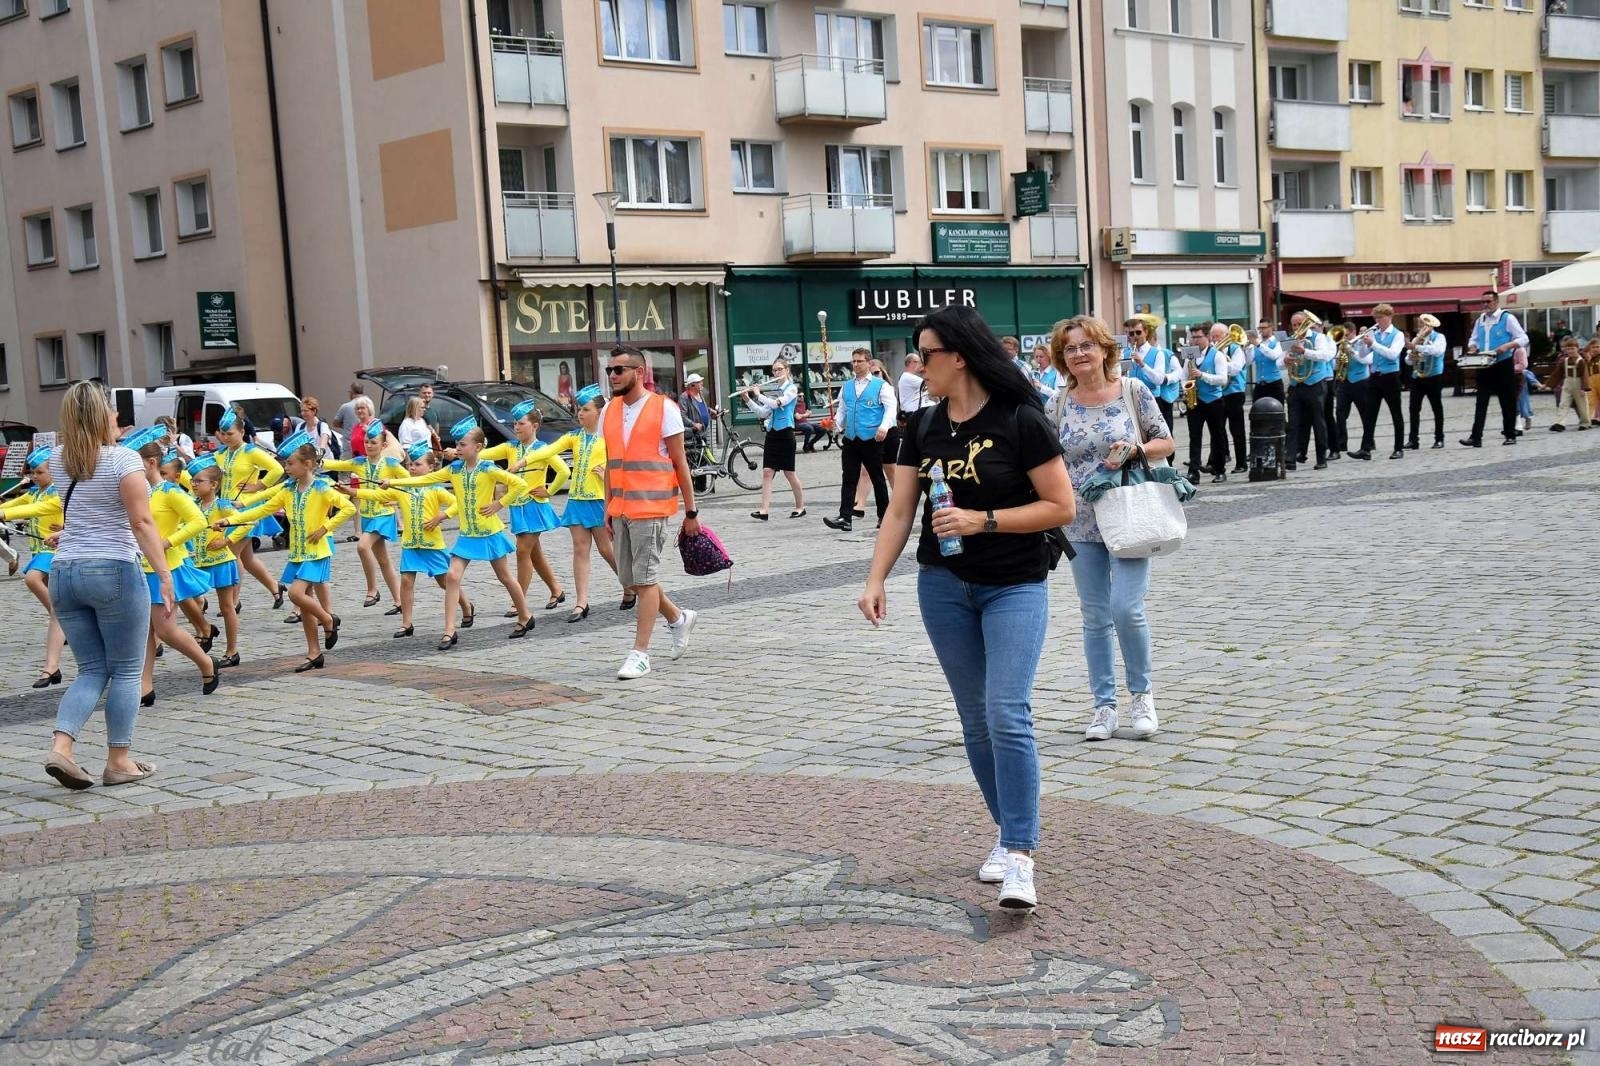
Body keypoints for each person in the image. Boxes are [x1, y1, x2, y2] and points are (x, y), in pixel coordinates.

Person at [857, 305, 1075, 912]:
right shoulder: (919, 427)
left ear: (958, 356)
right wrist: (876, 578)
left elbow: (1062, 507)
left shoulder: (1020, 419)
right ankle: (1007, 836)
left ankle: (1022, 857)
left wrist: (984, 520)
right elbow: (900, 510)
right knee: (975, 720)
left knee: (1008, 712)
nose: (918, 366)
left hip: (1014, 584)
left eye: (926, 355)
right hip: (943, 586)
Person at [42, 384, 175, 790]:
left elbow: (84, 509)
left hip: (64, 571)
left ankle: (61, 748)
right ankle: (119, 760)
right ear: (103, 417)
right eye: (113, 413)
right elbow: (141, 523)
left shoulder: (58, 459)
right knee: (127, 670)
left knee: (91, 669)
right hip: (113, 569)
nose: (118, 418)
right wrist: (164, 575)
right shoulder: (123, 459)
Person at [1049, 314, 1173, 744]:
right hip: (1080, 521)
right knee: (1095, 615)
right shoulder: (1058, 402)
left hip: (1129, 515)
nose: (1079, 354)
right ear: (1062, 359)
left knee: (1126, 608)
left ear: (1104, 349)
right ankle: (1104, 706)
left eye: (1086, 345)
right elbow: (1047, 458)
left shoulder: (1133, 391)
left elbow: (1165, 441)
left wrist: (1136, 449)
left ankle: (1142, 695)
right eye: (1070, 349)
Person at [384, 417, 534, 649]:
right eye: (457, 443)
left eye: (463, 444)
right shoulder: (453, 470)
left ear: (478, 447)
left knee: (505, 576)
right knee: (452, 576)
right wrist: (395, 483)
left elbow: (520, 485)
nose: (458, 448)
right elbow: (425, 478)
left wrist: (499, 504)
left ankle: (525, 615)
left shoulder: (488, 468)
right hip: (467, 535)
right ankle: (449, 630)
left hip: (489, 532)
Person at [601, 345, 700, 681]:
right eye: (610, 370)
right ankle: (677, 618)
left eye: (619, 370)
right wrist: (607, 507)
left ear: (639, 372)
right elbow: (612, 465)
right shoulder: (609, 411)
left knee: (643, 579)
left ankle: (640, 653)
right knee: (629, 578)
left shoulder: (664, 409)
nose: (612, 376)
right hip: (621, 507)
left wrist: (691, 511)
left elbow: (680, 463)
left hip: (652, 507)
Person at [221, 433, 356, 671]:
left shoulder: (322, 488)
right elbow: (262, 509)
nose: (286, 467)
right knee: (305, 605)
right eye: (285, 463)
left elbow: (347, 507)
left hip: (317, 551)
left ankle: (327, 619)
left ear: (307, 464)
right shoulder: (288, 490)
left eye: (290, 463)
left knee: (295, 594)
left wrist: (325, 528)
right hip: (298, 552)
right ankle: (314, 652)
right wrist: (230, 521)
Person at [351, 441, 473, 638]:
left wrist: (441, 517)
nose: (412, 468)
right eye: (410, 465)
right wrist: (352, 492)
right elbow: (375, 494)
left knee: (445, 583)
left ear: (431, 467)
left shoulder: (436, 489)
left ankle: (466, 606)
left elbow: (459, 503)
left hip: (432, 545)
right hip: (410, 544)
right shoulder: (402, 489)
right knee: (407, 580)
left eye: (417, 464)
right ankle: (406, 623)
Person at [525, 384, 617, 623]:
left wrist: (607, 470)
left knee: (607, 550)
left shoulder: (611, 437)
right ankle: (581, 601)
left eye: (585, 409)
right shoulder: (574, 436)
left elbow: (623, 463)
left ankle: (630, 585)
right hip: (577, 499)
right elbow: (547, 451)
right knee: (579, 549)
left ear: (599, 412)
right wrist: (523, 461)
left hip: (599, 500)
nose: (580, 413)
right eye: (579, 409)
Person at [484, 400, 569, 612]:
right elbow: (482, 454)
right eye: (515, 424)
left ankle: (518, 600)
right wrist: (458, 453)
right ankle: (557, 590)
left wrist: (549, 490)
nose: (516, 427)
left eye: (521, 423)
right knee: (534, 553)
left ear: (535, 426)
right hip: (517, 506)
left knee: (522, 551)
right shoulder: (510, 447)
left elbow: (564, 472)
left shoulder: (542, 449)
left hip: (534, 507)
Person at [322, 419, 405, 613]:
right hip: (368, 517)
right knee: (384, 561)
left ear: (383, 445)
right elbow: (339, 464)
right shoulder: (359, 463)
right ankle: (399, 601)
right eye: (367, 441)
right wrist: (316, 459)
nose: (368, 445)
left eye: (373, 442)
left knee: (362, 546)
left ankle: (372, 589)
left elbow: (412, 481)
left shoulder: (391, 464)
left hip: (383, 515)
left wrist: (397, 498)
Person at [2, 447, 67, 688]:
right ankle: (52, 667)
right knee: (59, 612)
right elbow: (21, 502)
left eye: (40, 472)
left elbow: (35, 510)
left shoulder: (58, 494)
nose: (35, 476)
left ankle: (51, 665)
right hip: (43, 551)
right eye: (33, 472)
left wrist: (3, 513)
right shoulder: (35, 493)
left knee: (32, 579)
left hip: (57, 551)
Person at [214, 408, 291, 607]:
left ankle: (233, 601)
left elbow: (277, 468)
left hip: (247, 509)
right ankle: (276, 588)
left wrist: (259, 486)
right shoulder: (221, 454)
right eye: (223, 434)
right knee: (247, 559)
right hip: (226, 508)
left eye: (230, 433)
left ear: (242, 432)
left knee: (231, 553)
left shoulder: (251, 451)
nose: (226, 437)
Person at [186, 456, 252, 667]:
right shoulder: (190, 504)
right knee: (189, 599)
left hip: (221, 561)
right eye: (193, 481)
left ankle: (232, 650)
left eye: (199, 481)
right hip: (197, 561)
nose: (194, 484)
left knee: (226, 607)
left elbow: (248, 522)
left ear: (213, 485)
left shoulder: (222, 505)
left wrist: (226, 540)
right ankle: (205, 629)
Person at [823, 348, 897, 532]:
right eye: (854, 361)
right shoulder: (847, 386)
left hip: (871, 438)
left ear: (869, 363)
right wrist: (836, 425)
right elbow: (843, 410)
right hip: (851, 438)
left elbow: (890, 408)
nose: (856, 364)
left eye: (859, 361)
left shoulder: (881, 385)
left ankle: (883, 515)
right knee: (848, 477)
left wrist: (884, 427)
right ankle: (845, 517)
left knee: (877, 478)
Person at [1461, 290, 1527, 447]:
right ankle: (1476, 437)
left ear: (1496, 302)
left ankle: (1510, 435)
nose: (1485, 305)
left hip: (1502, 363)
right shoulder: (1480, 320)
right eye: (1482, 302)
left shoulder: (1507, 318)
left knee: (1507, 401)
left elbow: (1524, 338)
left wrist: (1508, 345)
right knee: (1481, 401)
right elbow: (1474, 339)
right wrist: (1472, 347)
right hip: (1484, 364)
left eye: (1488, 302)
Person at [743, 358, 806, 520]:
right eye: (774, 370)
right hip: (772, 433)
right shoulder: (773, 389)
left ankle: (800, 506)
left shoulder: (792, 389)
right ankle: (764, 511)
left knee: (789, 473)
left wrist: (759, 395)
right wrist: (748, 400)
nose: (776, 373)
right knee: (767, 472)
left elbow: (778, 403)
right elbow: (763, 413)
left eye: (779, 369)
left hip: (786, 433)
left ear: (787, 370)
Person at [1284, 311, 1335, 470]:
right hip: (1296, 384)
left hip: (1314, 383)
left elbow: (1324, 356)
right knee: (1293, 423)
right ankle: (1290, 458)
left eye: (1300, 324)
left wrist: (1304, 351)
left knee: (1318, 421)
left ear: (1307, 323)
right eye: (1294, 325)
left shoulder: (1318, 337)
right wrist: (1285, 359)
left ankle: (1321, 458)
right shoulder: (1290, 339)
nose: (1297, 327)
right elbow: (1280, 360)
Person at [1361, 304, 1408, 459]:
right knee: (1369, 414)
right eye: (1376, 318)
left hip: (1391, 377)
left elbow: (1392, 354)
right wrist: (1363, 342)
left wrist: (1373, 344)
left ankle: (1398, 448)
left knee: (1396, 413)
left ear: (1389, 317)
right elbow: (1363, 355)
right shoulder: (1374, 333)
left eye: (1380, 317)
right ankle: (1365, 449)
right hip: (1375, 376)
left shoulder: (1397, 334)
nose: (1377, 321)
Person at [1184, 326, 1230, 483]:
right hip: (1195, 401)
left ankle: (1220, 470)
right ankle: (1193, 472)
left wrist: (1202, 375)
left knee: (1217, 436)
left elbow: (1223, 379)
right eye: (1193, 337)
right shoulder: (1189, 356)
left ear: (1208, 338)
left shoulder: (1217, 355)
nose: (1195, 340)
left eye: (1198, 337)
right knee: (1194, 437)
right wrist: (1185, 386)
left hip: (1214, 401)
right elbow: (1184, 376)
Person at [1125, 317, 1180, 432]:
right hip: (1131, 399)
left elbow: (1159, 380)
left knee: (1158, 434)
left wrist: (1142, 364)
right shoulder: (1124, 352)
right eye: (1131, 333)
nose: (1135, 336)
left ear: (1145, 332)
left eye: (1138, 332)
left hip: (1153, 399)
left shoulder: (1157, 353)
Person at [1332, 324, 1375, 461]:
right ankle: (1341, 443)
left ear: (1353, 333)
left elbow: (1367, 360)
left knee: (1365, 413)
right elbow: (1334, 365)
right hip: (1345, 382)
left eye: (1346, 335)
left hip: (1361, 381)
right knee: (1340, 413)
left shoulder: (1363, 344)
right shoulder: (1342, 346)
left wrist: (1352, 352)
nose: (1344, 338)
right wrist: (1338, 360)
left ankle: (1369, 442)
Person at [1405, 314, 1448, 448]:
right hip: (1417, 376)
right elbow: (1407, 360)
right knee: (1413, 409)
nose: (1421, 328)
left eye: (1423, 325)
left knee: (1436, 408)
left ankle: (1439, 438)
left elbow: (1437, 351)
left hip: (1434, 376)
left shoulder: (1439, 337)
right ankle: (1413, 440)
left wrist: (1416, 348)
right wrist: (1411, 358)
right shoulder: (1416, 339)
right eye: (1419, 325)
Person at [1218, 324, 1249, 474]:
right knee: (1218, 429)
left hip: (1235, 393)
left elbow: (1236, 368)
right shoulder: (1215, 351)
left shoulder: (1236, 349)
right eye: (1213, 337)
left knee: (1237, 430)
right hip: (1219, 393)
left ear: (1225, 335)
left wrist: (1220, 362)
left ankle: (1242, 463)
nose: (1215, 340)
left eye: (1217, 336)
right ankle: (1220, 458)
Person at [1547, 335, 1591, 431]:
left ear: (1577, 349)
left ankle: (1585, 422)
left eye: (1572, 349)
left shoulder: (1581, 361)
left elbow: (1585, 376)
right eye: (1568, 349)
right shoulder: (1564, 361)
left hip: (1579, 384)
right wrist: (1548, 384)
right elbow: (1557, 374)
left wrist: (1584, 388)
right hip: (1567, 384)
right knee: (1563, 403)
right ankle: (1560, 423)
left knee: (1582, 405)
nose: (1570, 351)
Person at [1250, 320, 1286, 406]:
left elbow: (1274, 355)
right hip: (1259, 384)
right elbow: (1248, 361)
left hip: (1274, 384)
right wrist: (1247, 348)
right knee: (1257, 411)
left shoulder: (1278, 341)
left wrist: (1258, 345)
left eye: (1264, 328)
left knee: (1277, 411)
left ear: (1271, 328)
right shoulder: (1258, 342)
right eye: (1259, 328)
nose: (1261, 330)